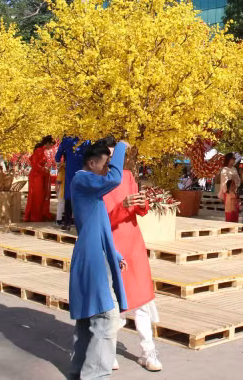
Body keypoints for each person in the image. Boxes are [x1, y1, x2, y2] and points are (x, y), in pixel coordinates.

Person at [68, 140, 128, 379]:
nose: (107, 170)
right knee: (106, 317)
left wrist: (114, 254)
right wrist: (120, 148)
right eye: (105, 164)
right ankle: (95, 375)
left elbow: (98, 227)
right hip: (91, 258)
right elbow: (114, 179)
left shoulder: (88, 188)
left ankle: (78, 370)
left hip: (93, 253)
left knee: (88, 317)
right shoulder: (82, 179)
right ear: (91, 163)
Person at [102, 149, 162, 372]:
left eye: (116, 155)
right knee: (114, 299)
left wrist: (142, 202)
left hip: (134, 245)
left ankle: (149, 351)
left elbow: (140, 210)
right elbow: (99, 220)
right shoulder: (95, 180)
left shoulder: (128, 176)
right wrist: (122, 207)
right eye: (109, 155)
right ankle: (108, 351)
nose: (114, 159)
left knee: (142, 300)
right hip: (113, 246)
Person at [55, 136, 89, 231]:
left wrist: (59, 163)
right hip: (83, 168)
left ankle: (67, 223)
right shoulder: (87, 138)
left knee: (69, 195)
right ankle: (81, 222)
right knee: (81, 194)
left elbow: (58, 155)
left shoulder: (67, 139)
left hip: (70, 170)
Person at [24, 136, 55, 222]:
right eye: (51, 145)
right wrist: (43, 169)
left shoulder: (44, 151)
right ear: (48, 143)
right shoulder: (39, 150)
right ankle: (34, 216)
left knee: (41, 195)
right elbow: (33, 163)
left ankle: (39, 215)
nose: (51, 147)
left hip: (41, 175)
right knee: (36, 195)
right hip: (36, 176)